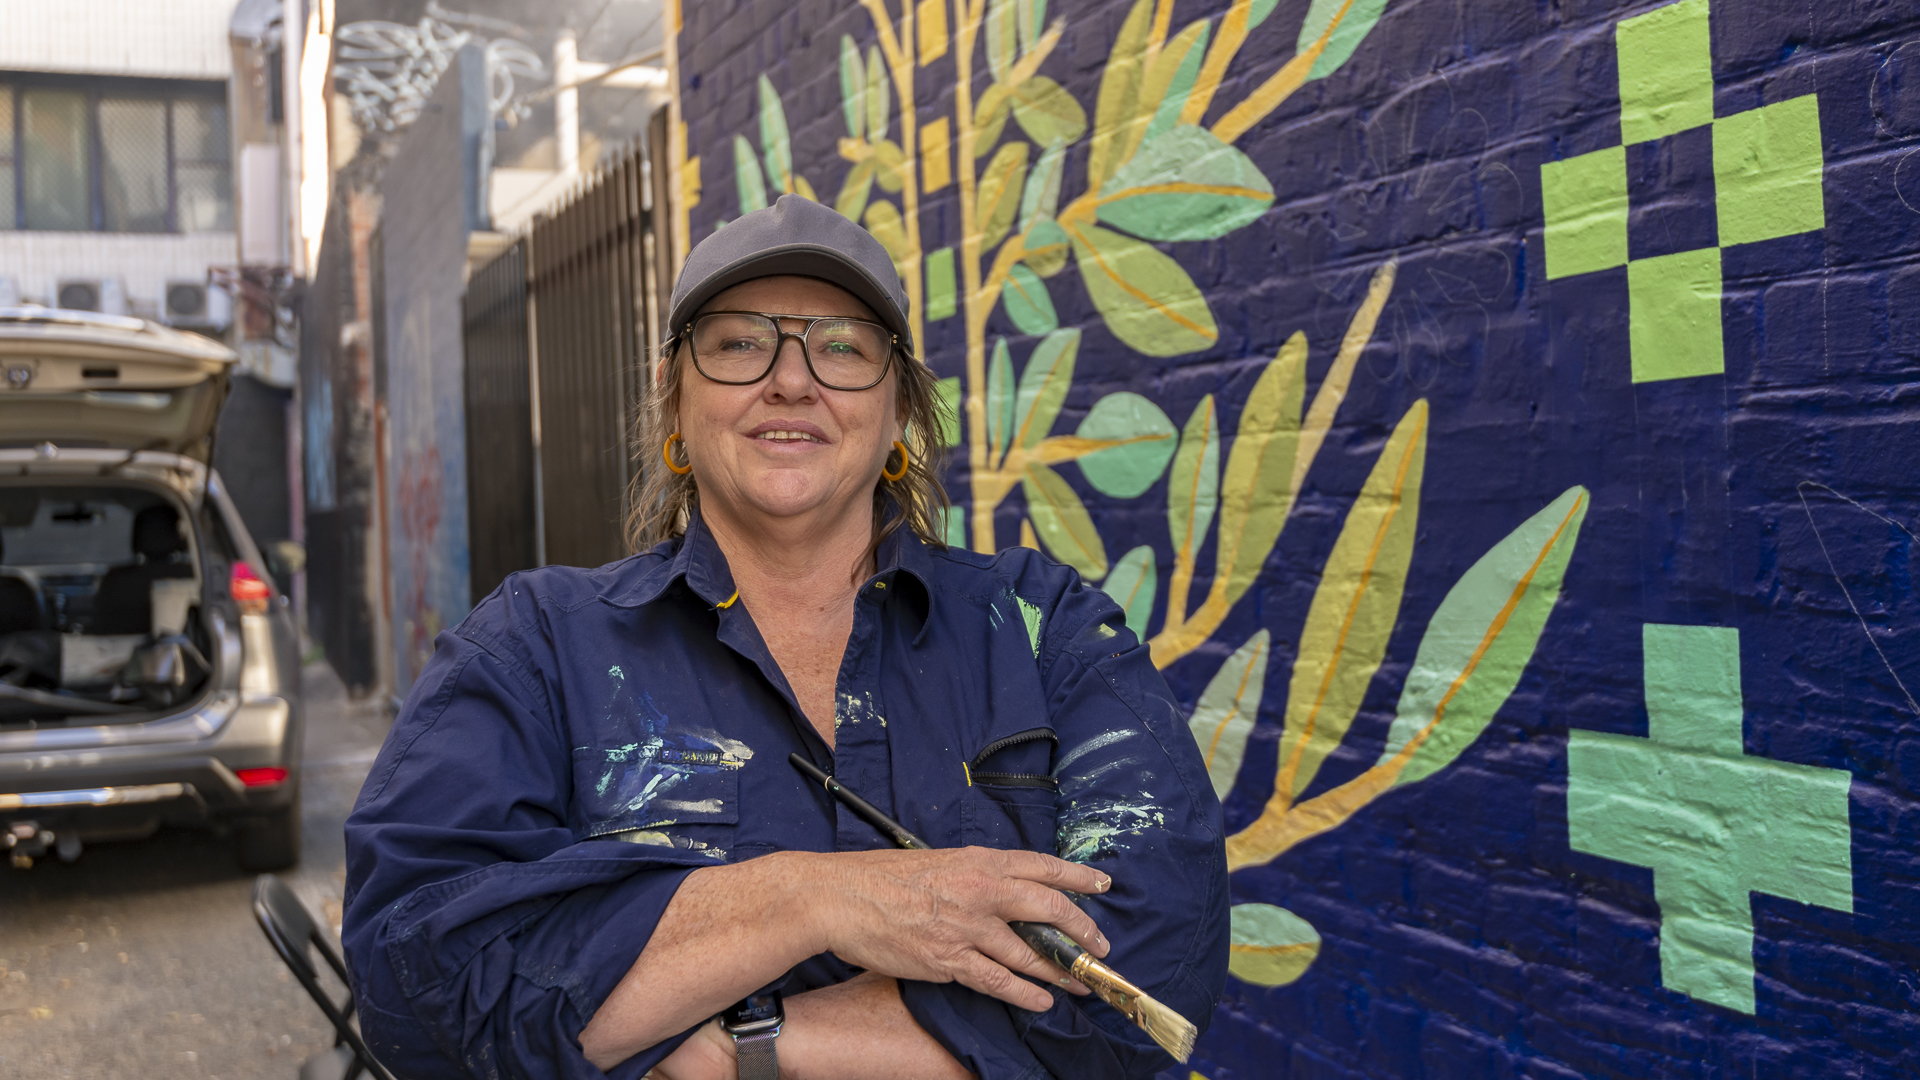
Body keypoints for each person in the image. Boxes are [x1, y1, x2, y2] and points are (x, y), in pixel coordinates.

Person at [342, 194, 1228, 1080]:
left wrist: (742, 1047)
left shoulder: (1044, 631)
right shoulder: (534, 649)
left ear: (899, 416)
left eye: (843, 346)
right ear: (673, 402)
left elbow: (1151, 977)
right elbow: (411, 979)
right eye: (737, 342)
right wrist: (812, 899)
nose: (792, 380)